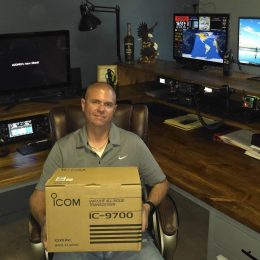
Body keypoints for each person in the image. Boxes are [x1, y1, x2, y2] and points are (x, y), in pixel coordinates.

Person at [29, 82, 169, 260]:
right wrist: (44, 221)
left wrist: (147, 207)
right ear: (83, 104)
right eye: (95, 102)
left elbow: (161, 183)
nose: (101, 109)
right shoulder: (63, 148)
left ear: (114, 109)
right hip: (76, 239)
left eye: (108, 104)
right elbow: (38, 196)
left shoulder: (133, 143)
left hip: (128, 236)